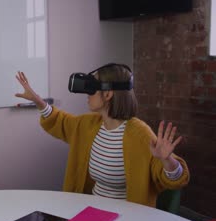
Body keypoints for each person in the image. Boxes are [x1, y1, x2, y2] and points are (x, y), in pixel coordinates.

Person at [14, 63, 189, 207]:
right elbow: (61, 121)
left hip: (128, 219)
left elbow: (176, 180)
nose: (87, 95)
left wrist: (167, 160)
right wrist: (38, 101)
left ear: (107, 93)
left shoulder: (139, 134)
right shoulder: (89, 125)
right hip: (91, 210)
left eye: (91, 89)